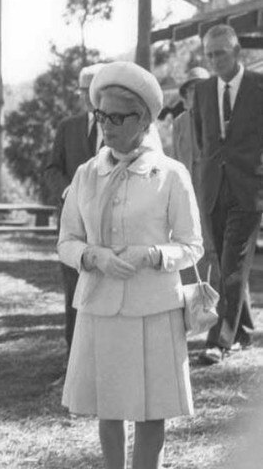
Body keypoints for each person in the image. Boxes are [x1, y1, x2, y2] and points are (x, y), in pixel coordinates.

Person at [59, 61, 203, 469]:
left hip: (153, 307)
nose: (107, 126)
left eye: (117, 117)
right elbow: (66, 241)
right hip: (100, 304)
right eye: (101, 116)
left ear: (143, 119)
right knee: (109, 406)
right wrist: (92, 256)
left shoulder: (170, 175)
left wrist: (153, 255)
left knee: (151, 410)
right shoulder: (87, 174)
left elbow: (193, 246)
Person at [193, 24, 263, 364]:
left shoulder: (258, 86)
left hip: (249, 190)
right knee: (224, 262)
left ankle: (219, 340)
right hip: (213, 190)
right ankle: (244, 328)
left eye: (220, 53)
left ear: (237, 52)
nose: (214, 60)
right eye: (208, 54)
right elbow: (201, 141)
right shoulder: (203, 90)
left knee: (232, 264)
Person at [45, 62, 105, 357]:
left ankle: (104, 358)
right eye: (83, 90)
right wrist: (68, 190)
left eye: (92, 89)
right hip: (73, 224)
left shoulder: (122, 127)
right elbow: (52, 168)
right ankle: (73, 361)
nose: (87, 96)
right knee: (73, 291)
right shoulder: (68, 127)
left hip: (109, 225)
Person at [172, 67, 214, 284]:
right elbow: (175, 157)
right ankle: (193, 305)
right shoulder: (179, 122)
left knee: (215, 249)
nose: (195, 94)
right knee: (188, 244)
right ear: (185, 95)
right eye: (191, 90)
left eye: (200, 89)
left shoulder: (221, 119)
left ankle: (225, 312)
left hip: (214, 190)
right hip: (187, 189)